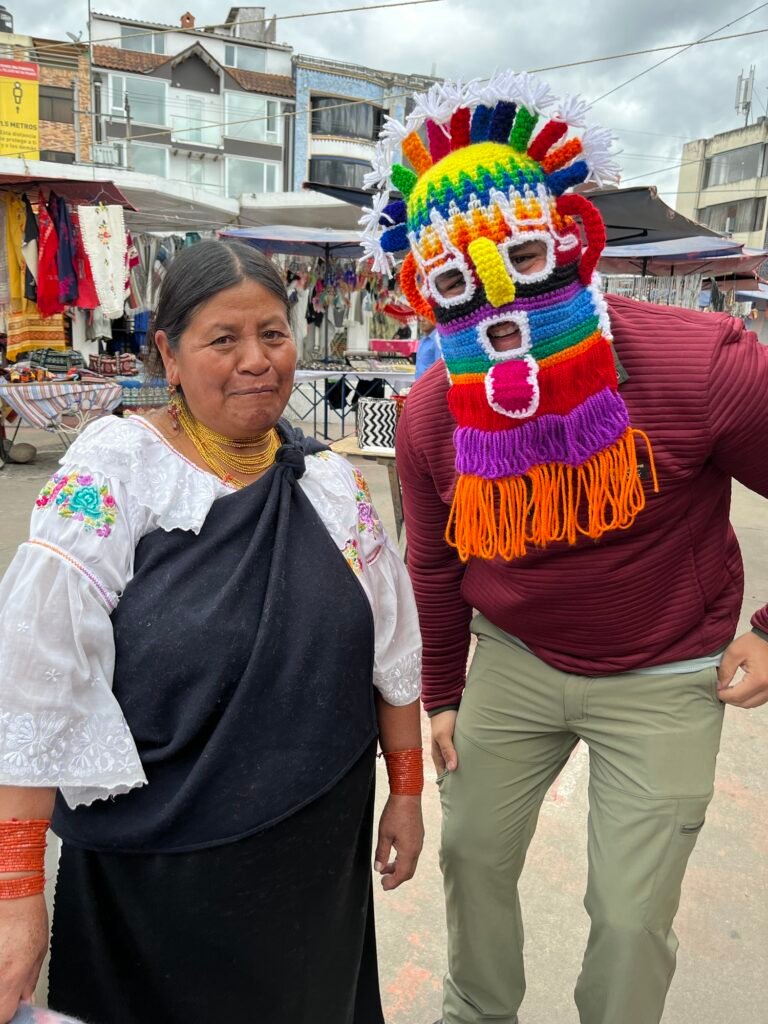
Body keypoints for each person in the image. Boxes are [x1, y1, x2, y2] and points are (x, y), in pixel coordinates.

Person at [360, 72, 768, 1024]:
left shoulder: (702, 364)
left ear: (575, 246)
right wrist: (448, 693)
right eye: (459, 286)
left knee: (629, 919)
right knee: (469, 859)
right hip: (513, 659)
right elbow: (433, 562)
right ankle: (477, 1011)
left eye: (527, 258)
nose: (501, 312)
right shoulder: (430, 416)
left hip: (669, 668)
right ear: (424, 294)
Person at [0, 239, 424, 1024]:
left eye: (272, 332)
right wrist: (16, 897)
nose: (257, 361)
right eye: (223, 340)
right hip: (159, 875)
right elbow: (36, 680)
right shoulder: (117, 473)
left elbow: (392, 652)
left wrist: (405, 793)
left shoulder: (329, 481)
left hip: (313, 859)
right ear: (167, 351)